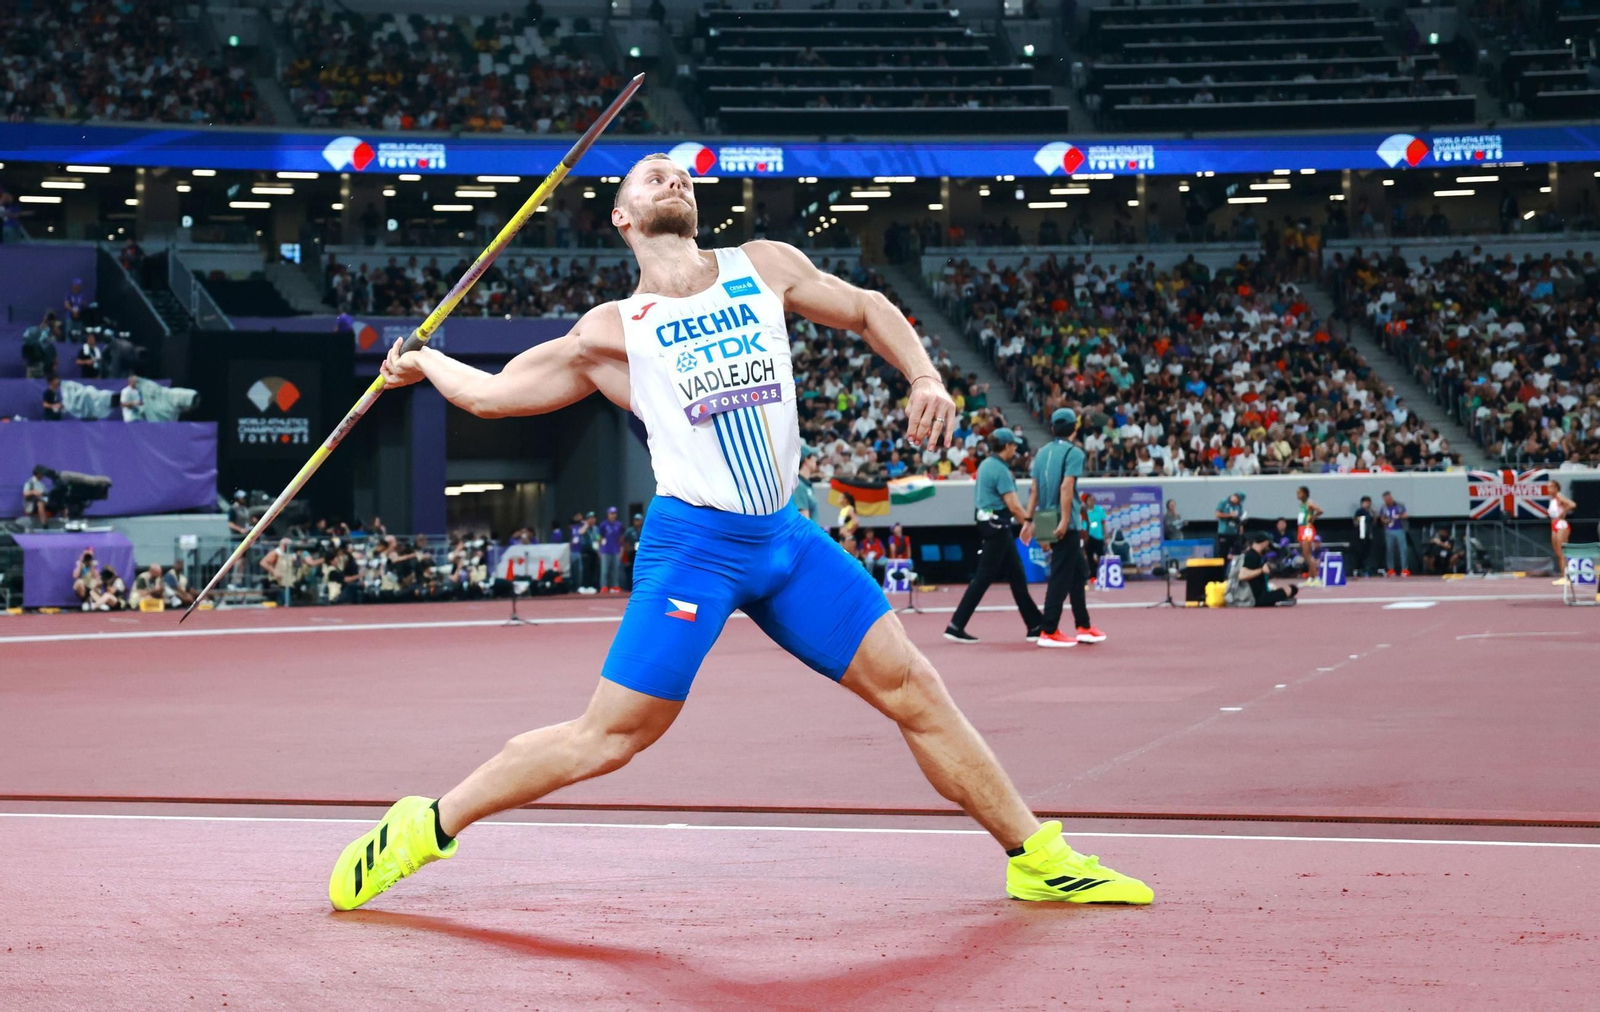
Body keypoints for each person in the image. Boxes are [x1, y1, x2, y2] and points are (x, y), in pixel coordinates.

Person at [337, 152, 1151, 910]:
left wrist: (926, 374)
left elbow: (867, 308)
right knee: (612, 736)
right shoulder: (611, 329)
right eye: (653, 178)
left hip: (786, 541)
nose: (674, 181)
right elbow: (494, 395)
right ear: (623, 218)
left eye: (683, 176)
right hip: (695, 547)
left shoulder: (760, 266)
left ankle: (1035, 856)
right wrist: (425, 364)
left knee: (915, 689)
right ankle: (425, 825)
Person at [944, 428, 1045, 644]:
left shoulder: (986, 465)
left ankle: (1035, 624)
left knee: (1017, 575)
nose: (1016, 449)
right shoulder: (1000, 470)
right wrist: (1028, 523)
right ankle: (956, 625)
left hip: (991, 523)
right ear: (1006, 446)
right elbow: (1013, 504)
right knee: (983, 577)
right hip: (998, 524)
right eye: (1014, 445)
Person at [1024, 407, 1103, 648]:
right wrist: (1065, 520)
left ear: (1052, 428)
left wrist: (1029, 521)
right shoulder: (1074, 452)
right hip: (1063, 520)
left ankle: (1084, 625)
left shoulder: (1041, 453)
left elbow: (1035, 490)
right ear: (1075, 428)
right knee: (1060, 574)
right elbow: (1067, 487)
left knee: (1078, 572)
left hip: (1045, 516)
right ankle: (1049, 629)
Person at [1240, 531, 1299, 607]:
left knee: (1291, 589)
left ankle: (1280, 599)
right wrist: (1261, 570)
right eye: (1268, 543)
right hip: (1256, 598)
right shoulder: (1251, 556)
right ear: (1264, 543)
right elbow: (1242, 575)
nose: (1268, 546)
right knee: (1292, 589)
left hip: (1261, 593)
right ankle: (1279, 600)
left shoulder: (1257, 555)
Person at [1548, 479, 1578, 586]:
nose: (1549, 489)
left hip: (1561, 524)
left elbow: (1572, 504)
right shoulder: (1552, 500)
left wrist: (1563, 512)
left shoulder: (1559, 497)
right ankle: (1563, 576)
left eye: (1551, 486)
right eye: (1548, 487)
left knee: (1562, 552)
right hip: (1554, 524)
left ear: (1556, 488)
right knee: (1558, 553)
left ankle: (1567, 577)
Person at [1295, 486, 1324, 586]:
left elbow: (1320, 510)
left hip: (1307, 528)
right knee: (1305, 554)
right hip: (1301, 528)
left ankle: (1316, 578)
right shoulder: (1302, 504)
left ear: (1305, 493)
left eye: (1299, 493)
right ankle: (1310, 578)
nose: (1297, 495)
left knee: (1308, 554)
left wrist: (1313, 517)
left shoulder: (1309, 503)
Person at [1379, 490, 1408, 577]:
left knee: (1403, 549)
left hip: (1399, 529)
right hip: (1389, 530)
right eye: (1385, 499)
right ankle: (1391, 569)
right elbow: (1382, 519)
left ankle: (1405, 569)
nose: (1387, 500)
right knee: (1390, 550)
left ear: (1391, 498)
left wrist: (1399, 516)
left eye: (1388, 498)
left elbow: (1406, 515)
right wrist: (1386, 521)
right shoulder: (1383, 507)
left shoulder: (1399, 505)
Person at [1352, 495, 1381, 578]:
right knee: (1361, 552)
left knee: (1369, 553)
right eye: (1366, 503)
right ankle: (1360, 569)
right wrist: (1360, 520)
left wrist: (1374, 515)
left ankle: (1368, 569)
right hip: (1361, 535)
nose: (1368, 504)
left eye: (1369, 503)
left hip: (1369, 534)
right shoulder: (1359, 511)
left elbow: (1374, 522)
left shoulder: (1370, 512)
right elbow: (1355, 522)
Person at [598, 506, 626, 593]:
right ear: (608, 514)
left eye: (614, 513)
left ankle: (615, 585)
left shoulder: (619, 525)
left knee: (615, 570)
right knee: (605, 570)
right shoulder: (603, 525)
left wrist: (621, 549)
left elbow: (620, 538)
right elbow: (599, 537)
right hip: (605, 550)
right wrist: (599, 549)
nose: (613, 515)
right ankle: (604, 586)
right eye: (611, 513)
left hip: (615, 550)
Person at [1082, 492, 1108, 583]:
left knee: (1101, 556)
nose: (1092, 501)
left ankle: (1103, 575)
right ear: (1086, 501)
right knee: (1089, 556)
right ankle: (1092, 575)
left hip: (1098, 537)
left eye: (1093, 500)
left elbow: (1103, 523)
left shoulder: (1099, 510)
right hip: (1087, 537)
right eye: (1089, 500)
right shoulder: (1083, 511)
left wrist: (1105, 536)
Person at [791, 445, 820, 519]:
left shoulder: (806, 484)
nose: (815, 459)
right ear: (806, 460)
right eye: (813, 456)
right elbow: (804, 520)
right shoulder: (799, 485)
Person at [1213, 491, 1245, 558]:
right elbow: (1217, 514)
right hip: (1224, 532)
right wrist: (1230, 515)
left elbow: (1240, 516)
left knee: (1236, 551)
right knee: (1223, 552)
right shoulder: (1224, 502)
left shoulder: (1239, 506)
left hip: (1234, 532)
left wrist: (1240, 525)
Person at [621, 511, 644, 590]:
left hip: (642, 553)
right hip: (632, 552)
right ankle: (629, 587)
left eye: (639, 520)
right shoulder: (630, 530)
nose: (637, 522)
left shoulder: (645, 530)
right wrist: (627, 547)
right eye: (636, 520)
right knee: (630, 570)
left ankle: (640, 587)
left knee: (641, 570)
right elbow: (623, 539)